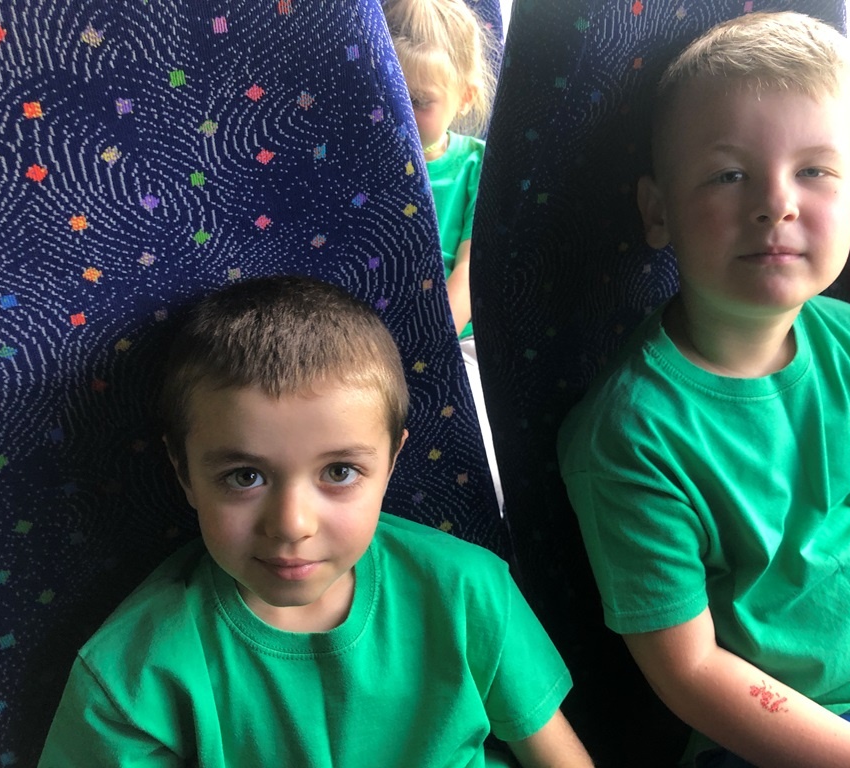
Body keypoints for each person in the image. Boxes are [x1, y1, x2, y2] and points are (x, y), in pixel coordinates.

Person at [557, 12, 850, 768]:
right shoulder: (630, 433)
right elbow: (691, 671)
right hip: (776, 736)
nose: (776, 203)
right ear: (658, 210)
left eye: (814, 172)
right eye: (730, 175)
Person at [39, 275, 593, 768]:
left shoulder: (469, 589)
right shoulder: (131, 677)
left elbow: (552, 751)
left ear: (391, 463)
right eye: (244, 477)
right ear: (183, 472)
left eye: (340, 471)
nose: (292, 524)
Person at [384, 0, 505, 512]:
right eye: (388, 93)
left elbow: (471, 271)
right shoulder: (364, 157)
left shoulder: (478, 164)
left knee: (481, 454)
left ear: (464, 97)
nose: (399, 113)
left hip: (455, 336)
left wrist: (428, 343)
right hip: (371, 330)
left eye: (419, 100)